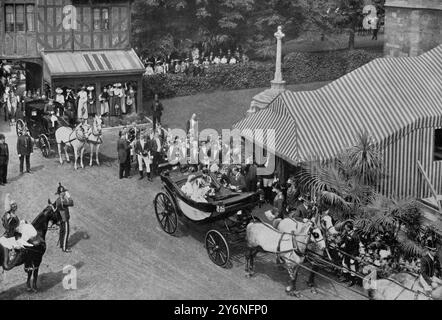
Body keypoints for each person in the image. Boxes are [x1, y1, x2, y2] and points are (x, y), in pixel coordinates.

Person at [55, 183, 74, 253]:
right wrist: (69, 196)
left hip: (60, 219)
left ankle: (61, 244)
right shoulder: (63, 201)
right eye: (64, 192)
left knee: (62, 232)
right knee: (66, 232)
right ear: (61, 193)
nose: (65, 193)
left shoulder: (58, 200)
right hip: (65, 219)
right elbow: (72, 203)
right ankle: (64, 248)